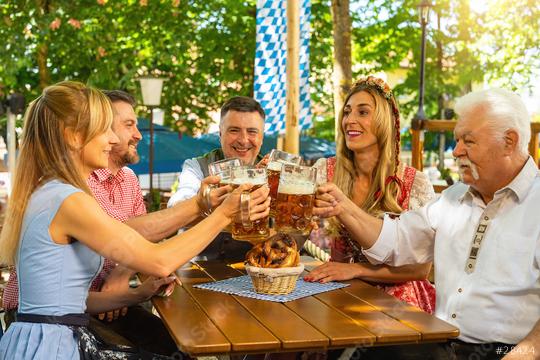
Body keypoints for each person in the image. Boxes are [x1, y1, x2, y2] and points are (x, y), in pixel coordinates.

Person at [0, 81, 270, 359]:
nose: (112, 139)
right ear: (73, 136)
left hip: (45, 338)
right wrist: (224, 213)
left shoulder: (53, 191)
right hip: (52, 347)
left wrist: (137, 294)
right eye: (105, 129)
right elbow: (158, 260)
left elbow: (65, 300)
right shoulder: (68, 200)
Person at [313, 88, 540, 359]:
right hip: (441, 342)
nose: (456, 151)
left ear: (509, 142)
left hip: (508, 351)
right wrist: (344, 206)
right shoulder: (453, 199)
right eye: (457, 140)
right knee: (367, 350)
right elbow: (394, 241)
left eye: (468, 141)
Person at [304, 76, 436, 314]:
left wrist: (357, 270)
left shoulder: (414, 183)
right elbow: (295, 229)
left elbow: (420, 269)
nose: (350, 120)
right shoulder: (326, 171)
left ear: (384, 121)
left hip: (398, 295)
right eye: (347, 112)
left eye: (363, 112)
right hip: (338, 288)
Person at [167, 96, 266, 261]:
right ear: (220, 133)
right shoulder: (196, 166)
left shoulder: (273, 173)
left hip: (252, 275)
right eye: (234, 130)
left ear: (261, 137)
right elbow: (175, 206)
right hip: (197, 272)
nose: (243, 140)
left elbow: (289, 239)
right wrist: (205, 202)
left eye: (252, 131)